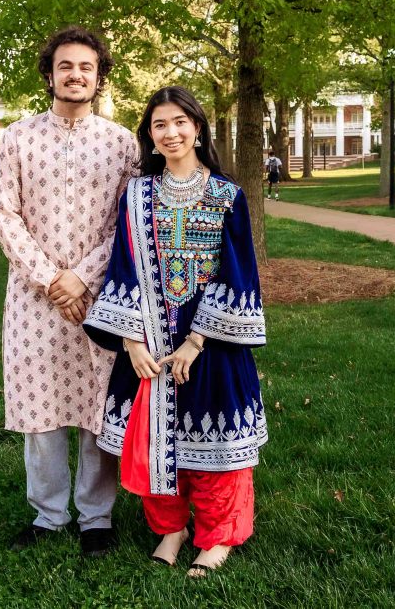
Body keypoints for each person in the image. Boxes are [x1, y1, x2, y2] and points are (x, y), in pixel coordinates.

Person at [84, 86, 267, 577]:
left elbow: (238, 272)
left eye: (180, 122)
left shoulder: (228, 195)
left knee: (216, 450)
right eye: (159, 125)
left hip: (211, 342)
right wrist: (131, 340)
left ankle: (217, 538)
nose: (171, 133)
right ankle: (171, 529)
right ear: (149, 133)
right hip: (147, 340)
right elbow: (122, 267)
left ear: (199, 128)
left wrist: (196, 340)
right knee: (152, 439)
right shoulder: (137, 194)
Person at [0, 26, 136, 556]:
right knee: (41, 405)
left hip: (100, 295)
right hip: (34, 297)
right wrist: (52, 279)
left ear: (99, 77)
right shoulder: (17, 138)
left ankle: (96, 516)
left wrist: (83, 277)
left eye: (87, 67)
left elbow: (128, 225)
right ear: (49, 74)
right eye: (66, 66)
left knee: (98, 406)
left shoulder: (121, 143)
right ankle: (48, 514)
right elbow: (5, 215)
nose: (76, 75)